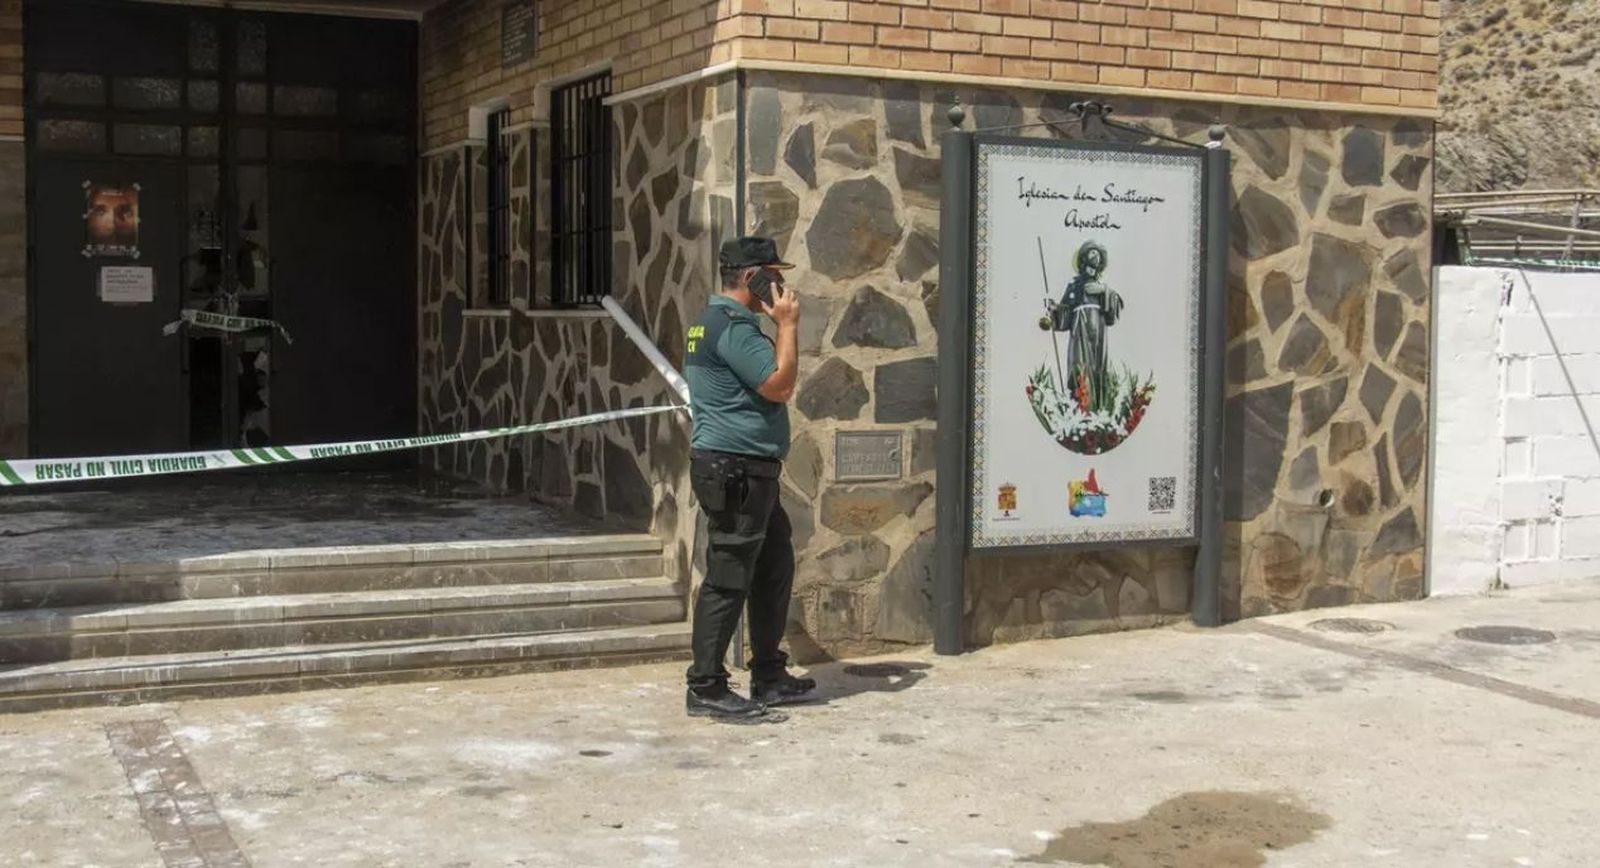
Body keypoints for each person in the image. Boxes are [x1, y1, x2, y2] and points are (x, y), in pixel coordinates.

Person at [682, 236, 816, 719]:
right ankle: (706, 686)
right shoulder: (733, 327)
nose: (779, 283)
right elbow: (779, 385)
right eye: (773, 274)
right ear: (751, 277)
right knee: (729, 577)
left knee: (773, 564)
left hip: (747, 471)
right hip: (735, 471)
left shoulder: (714, 321)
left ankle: (768, 675)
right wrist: (788, 325)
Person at [1039, 241, 1124, 412]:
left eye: (1098, 254)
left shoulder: (1102, 288)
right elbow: (1065, 315)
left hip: (1099, 332)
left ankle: (1099, 409)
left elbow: (1114, 311)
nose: (1095, 256)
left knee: (1098, 367)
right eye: (1092, 253)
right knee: (1079, 365)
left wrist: (1104, 291)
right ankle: (1079, 409)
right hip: (1080, 332)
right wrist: (1054, 309)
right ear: (1084, 258)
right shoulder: (1074, 287)